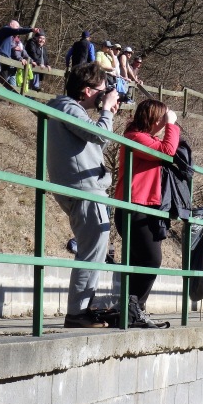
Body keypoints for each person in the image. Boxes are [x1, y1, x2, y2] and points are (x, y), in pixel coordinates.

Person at [46, 63, 119, 328]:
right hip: (84, 188)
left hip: (85, 187)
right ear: (87, 90)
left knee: (95, 251)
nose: (104, 94)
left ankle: (82, 310)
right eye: (101, 90)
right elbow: (99, 135)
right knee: (91, 252)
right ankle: (77, 313)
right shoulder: (68, 107)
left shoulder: (67, 108)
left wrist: (106, 112)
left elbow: (97, 136)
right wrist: (106, 110)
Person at [113, 100, 180, 313]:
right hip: (133, 207)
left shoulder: (145, 139)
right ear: (151, 118)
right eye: (160, 117)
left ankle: (132, 308)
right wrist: (172, 125)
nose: (163, 120)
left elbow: (167, 150)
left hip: (144, 207)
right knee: (151, 258)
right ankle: (134, 307)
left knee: (142, 259)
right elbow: (168, 150)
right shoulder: (135, 138)